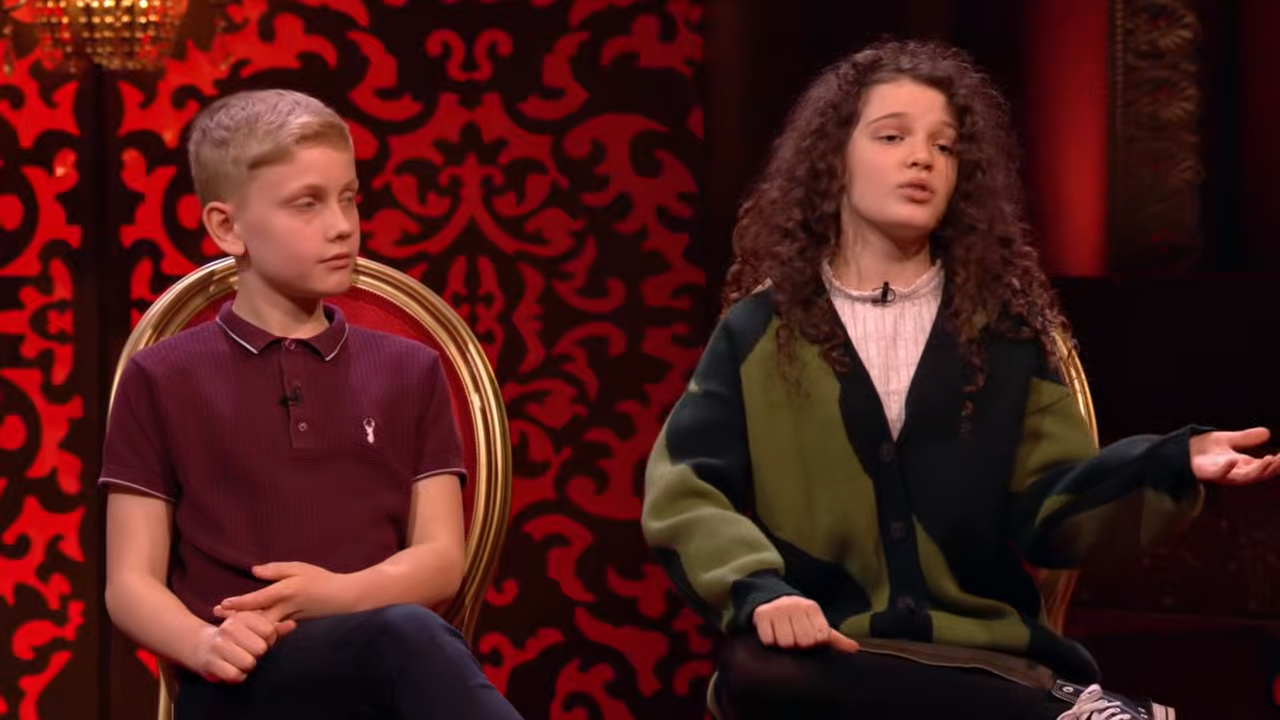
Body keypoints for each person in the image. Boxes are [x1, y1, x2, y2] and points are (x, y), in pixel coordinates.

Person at [642, 40, 1280, 720]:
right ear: (833, 159)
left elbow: (1055, 511)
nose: (922, 158)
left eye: (944, 147)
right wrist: (758, 590)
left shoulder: (1005, 334)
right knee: (757, 672)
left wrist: (1170, 461)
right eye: (892, 136)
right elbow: (687, 489)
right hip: (828, 651)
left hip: (981, 651)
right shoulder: (760, 331)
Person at [100, 89, 523, 720]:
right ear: (227, 227)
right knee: (408, 638)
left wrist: (339, 595)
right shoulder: (161, 377)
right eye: (307, 204)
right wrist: (205, 644)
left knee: (406, 636)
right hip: (239, 682)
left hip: (380, 659)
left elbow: (440, 560)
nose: (342, 225)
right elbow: (130, 584)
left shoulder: (411, 370)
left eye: (349, 197)